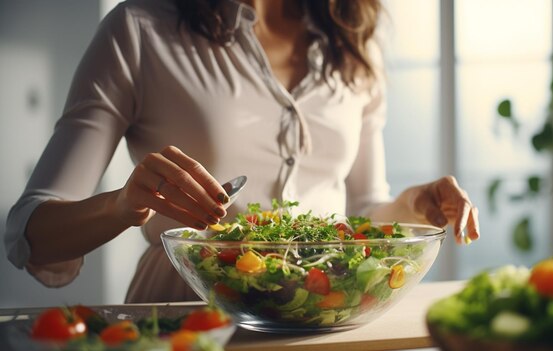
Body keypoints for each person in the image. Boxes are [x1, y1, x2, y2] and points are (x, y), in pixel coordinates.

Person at [4, 0, 480, 303]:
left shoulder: (352, 42)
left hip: (323, 320)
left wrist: (412, 208)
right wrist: (123, 204)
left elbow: (359, 212)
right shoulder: (139, 30)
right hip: (186, 318)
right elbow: (30, 233)